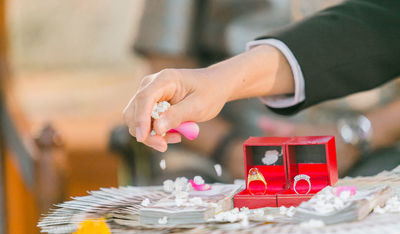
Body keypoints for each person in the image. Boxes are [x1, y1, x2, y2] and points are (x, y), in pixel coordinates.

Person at [123, 0, 400, 166]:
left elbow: (383, 23)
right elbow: (165, 67)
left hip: (373, 142)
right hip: (230, 147)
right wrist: (229, 148)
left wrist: (360, 134)